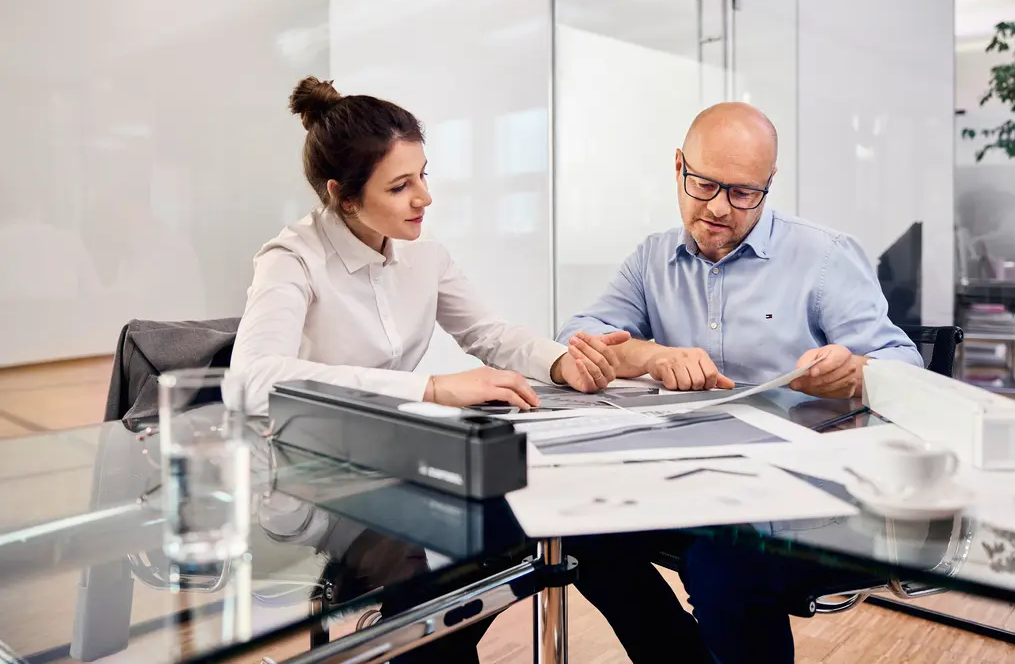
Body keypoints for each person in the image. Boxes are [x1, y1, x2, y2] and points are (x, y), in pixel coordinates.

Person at [231, 77, 627, 663]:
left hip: (398, 457)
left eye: (424, 175)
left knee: (567, 529)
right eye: (400, 185)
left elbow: (487, 334)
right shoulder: (291, 259)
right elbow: (252, 379)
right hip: (309, 479)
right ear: (343, 196)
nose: (425, 197)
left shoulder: (423, 253)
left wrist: (561, 360)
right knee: (431, 565)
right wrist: (432, 388)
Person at [557, 102, 922, 664]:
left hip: (800, 491)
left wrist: (859, 376)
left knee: (723, 561)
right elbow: (579, 337)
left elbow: (906, 366)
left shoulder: (823, 257)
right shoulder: (653, 258)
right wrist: (653, 356)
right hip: (688, 479)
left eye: (743, 193)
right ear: (678, 166)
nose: (719, 209)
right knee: (580, 533)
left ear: (769, 185)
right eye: (703, 185)